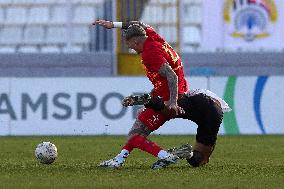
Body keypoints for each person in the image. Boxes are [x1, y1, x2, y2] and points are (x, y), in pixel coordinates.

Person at [93, 20, 230, 169]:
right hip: (199, 102)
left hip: (173, 99)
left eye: (130, 44)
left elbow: (172, 76)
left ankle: (164, 155)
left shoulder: (149, 54)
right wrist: (113, 24)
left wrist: (172, 102)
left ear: (136, 40)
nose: (130, 47)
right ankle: (185, 153)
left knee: (136, 134)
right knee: (198, 160)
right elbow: (138, 23)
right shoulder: (152, 35)